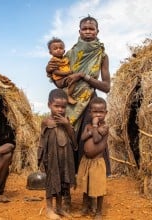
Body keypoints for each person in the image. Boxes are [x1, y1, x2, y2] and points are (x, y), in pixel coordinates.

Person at [46, 15, 111, 176]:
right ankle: (67, 181)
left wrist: (83, 76)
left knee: (88, 141)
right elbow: (62, 84)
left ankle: (92, 184)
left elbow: (106, 87)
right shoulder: (69, 54)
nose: (88, 32)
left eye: (91, 29)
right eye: (85, 29)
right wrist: (50, 71)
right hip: (70, 102)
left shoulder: (102, 55)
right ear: (79, 31)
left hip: (90, 103)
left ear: (97, 31)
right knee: (66, 137)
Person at [37, 88, 77, 219]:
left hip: (65, 158)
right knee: (51, 183)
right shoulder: (46, 122)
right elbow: (42, 142)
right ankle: (49, 209)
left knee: (62, 182)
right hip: (51, 159)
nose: (60, 109)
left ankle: (59, 208)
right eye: (56, 106)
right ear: (49, 105)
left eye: (63, 107)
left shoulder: (67, 121)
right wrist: (41, 159)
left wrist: (67, 125)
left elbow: (73, 140)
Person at [77, 97, 108, 219]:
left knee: (98, 187)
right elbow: (83, 138)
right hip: (87, 161)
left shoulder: (105, 127)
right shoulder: (88, 126)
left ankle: (99, 212)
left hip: (97, 163)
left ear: (106, 113)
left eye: (101, 112)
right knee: (86, 185)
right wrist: (91, 129)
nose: (98, 115)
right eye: (95, 112)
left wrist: (94, 126)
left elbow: (96, 139)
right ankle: (85, 207)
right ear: (90, 112)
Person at [47, 37, 77, 104]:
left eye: (61, 48)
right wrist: (67, 73)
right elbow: (56, 72)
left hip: (64, 78)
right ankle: (67, 95)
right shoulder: (53, 61)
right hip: (59, 80)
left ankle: (67, 93)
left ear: (64, 51)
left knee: (73, 80)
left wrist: (74, 48)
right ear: (50, 52)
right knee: (73, 80)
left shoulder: (64, 59)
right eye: (55, 49)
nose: (58, 50)